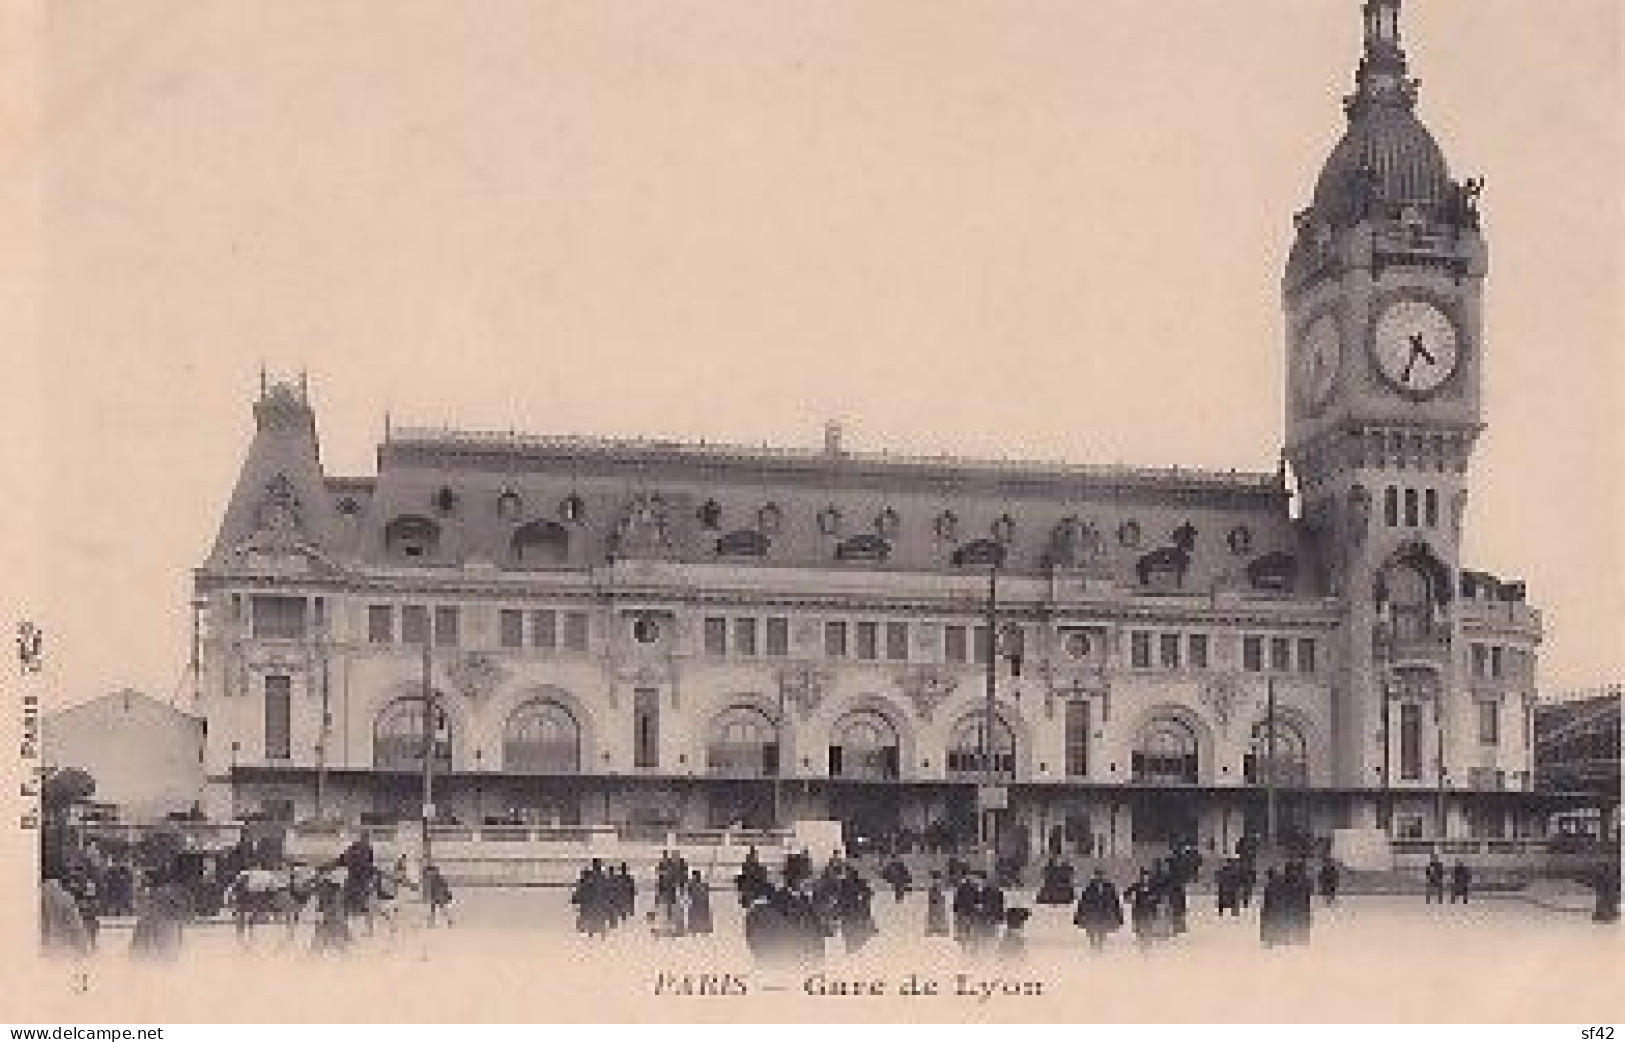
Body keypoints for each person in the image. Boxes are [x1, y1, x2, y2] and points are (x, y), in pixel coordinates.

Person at [1073, 868, 1124, 951]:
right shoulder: (1089, 887)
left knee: (1102, 933)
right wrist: (1078, 915)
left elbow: (1115, 902)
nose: (1099, 877)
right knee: (1092, 933)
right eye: (1097, 876)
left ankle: (1100, 948)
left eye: (1100, 876)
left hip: (1104, 914)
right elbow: (1083, 902)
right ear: (1095, 876)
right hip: (1092, 914)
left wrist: (1119, 915)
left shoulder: (1109, 887)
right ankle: (1093, 947)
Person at [424, 862, 454, 927]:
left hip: (439, 896)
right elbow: (443, 887)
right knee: (436, 909)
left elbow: (443, 887)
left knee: (438, 909)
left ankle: (433, 922)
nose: (429, 873)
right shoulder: (436, 878)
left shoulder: (437, 879)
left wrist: (445, 894)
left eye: (430, 872)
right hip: (437, 896)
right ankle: (433, 922)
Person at [686, 870, 713, 936]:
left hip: (699, 904)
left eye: (696, 877)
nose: (695, 878)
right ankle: (696, 928)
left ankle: (700, 928)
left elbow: (706, 895)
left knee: (699, 915)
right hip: (695, 904)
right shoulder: (691, 885)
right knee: (696, 916)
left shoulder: (701, 885)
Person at [925, 871, 950, 937]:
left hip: (936, 901)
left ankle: (935, 929)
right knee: (937, 915)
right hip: (937, 901)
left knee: (935, 914)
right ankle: (936, 929)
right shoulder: (938, 884)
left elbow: (936, 893)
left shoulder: (935, 884)